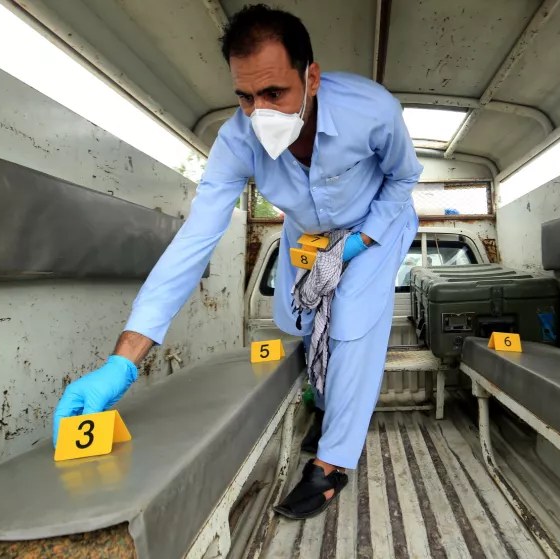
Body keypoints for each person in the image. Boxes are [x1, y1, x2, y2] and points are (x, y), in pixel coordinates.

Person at [51, 4, 421, 519]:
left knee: (352, 321)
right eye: (245, 96)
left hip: (376, 226)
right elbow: (195, 238)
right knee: (294, 318)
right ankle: (328, 400)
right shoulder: (236, 141)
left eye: (274, 93)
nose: (259, 111)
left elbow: (403, 180)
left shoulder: (373, 111)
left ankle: (333, 462)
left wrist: (358, 244)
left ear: (311, 77)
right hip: (307, 234)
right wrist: (123, 361)